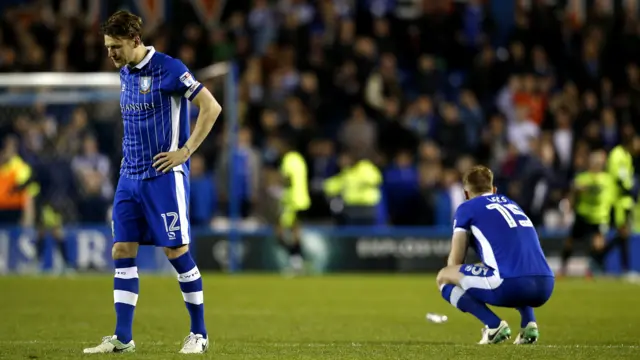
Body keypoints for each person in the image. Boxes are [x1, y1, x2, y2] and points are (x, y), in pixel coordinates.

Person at [83, 11, 222, 354]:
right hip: (129, 176)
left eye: (115, 47)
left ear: (135, 40)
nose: (110, 54)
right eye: (107, 47)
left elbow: (211, 107)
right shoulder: (126, 73)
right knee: (121, 249)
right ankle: (123, 338)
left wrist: (186, 150)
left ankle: (199, 334)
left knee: (176, 251)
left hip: (163, 175)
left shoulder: (170, 68)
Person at [436, 165, 554, 345]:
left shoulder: (466, 208)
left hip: (512, 285)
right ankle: (529, 324)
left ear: (466, 194)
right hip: (546, 284)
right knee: (507, 266)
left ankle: (493, 325)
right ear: (494, 190)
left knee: (444, 276)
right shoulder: (511, 203)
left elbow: (455, 262)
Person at [560, 149, 615, 277]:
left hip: (599, 217)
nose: (596, 164)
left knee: (598, 245)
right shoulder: (582, 177)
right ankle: (563, 269)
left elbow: (609, 196)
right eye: (593, 161)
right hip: (583, 214)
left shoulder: (607, 179)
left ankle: (592, 269)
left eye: (598, 161)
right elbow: (573, 194)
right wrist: (573, 198)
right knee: (570, 242)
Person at [596, 134, 638, 278]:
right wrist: (629, 189)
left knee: (623, 235)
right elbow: (618, 177)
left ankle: (601, 257)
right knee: (623, 234)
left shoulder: (627, 156)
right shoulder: (617, 154)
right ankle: (623, 268)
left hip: (623, 201)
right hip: (615, 201)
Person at [274, 136, 310, 275]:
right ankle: (298, 261)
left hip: (292, 200)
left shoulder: (289, 159)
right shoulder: (299, 159)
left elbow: (288, 179)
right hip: (302, 199)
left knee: (281, 232)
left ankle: (296, 262)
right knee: (295, 232)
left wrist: (277, 182)